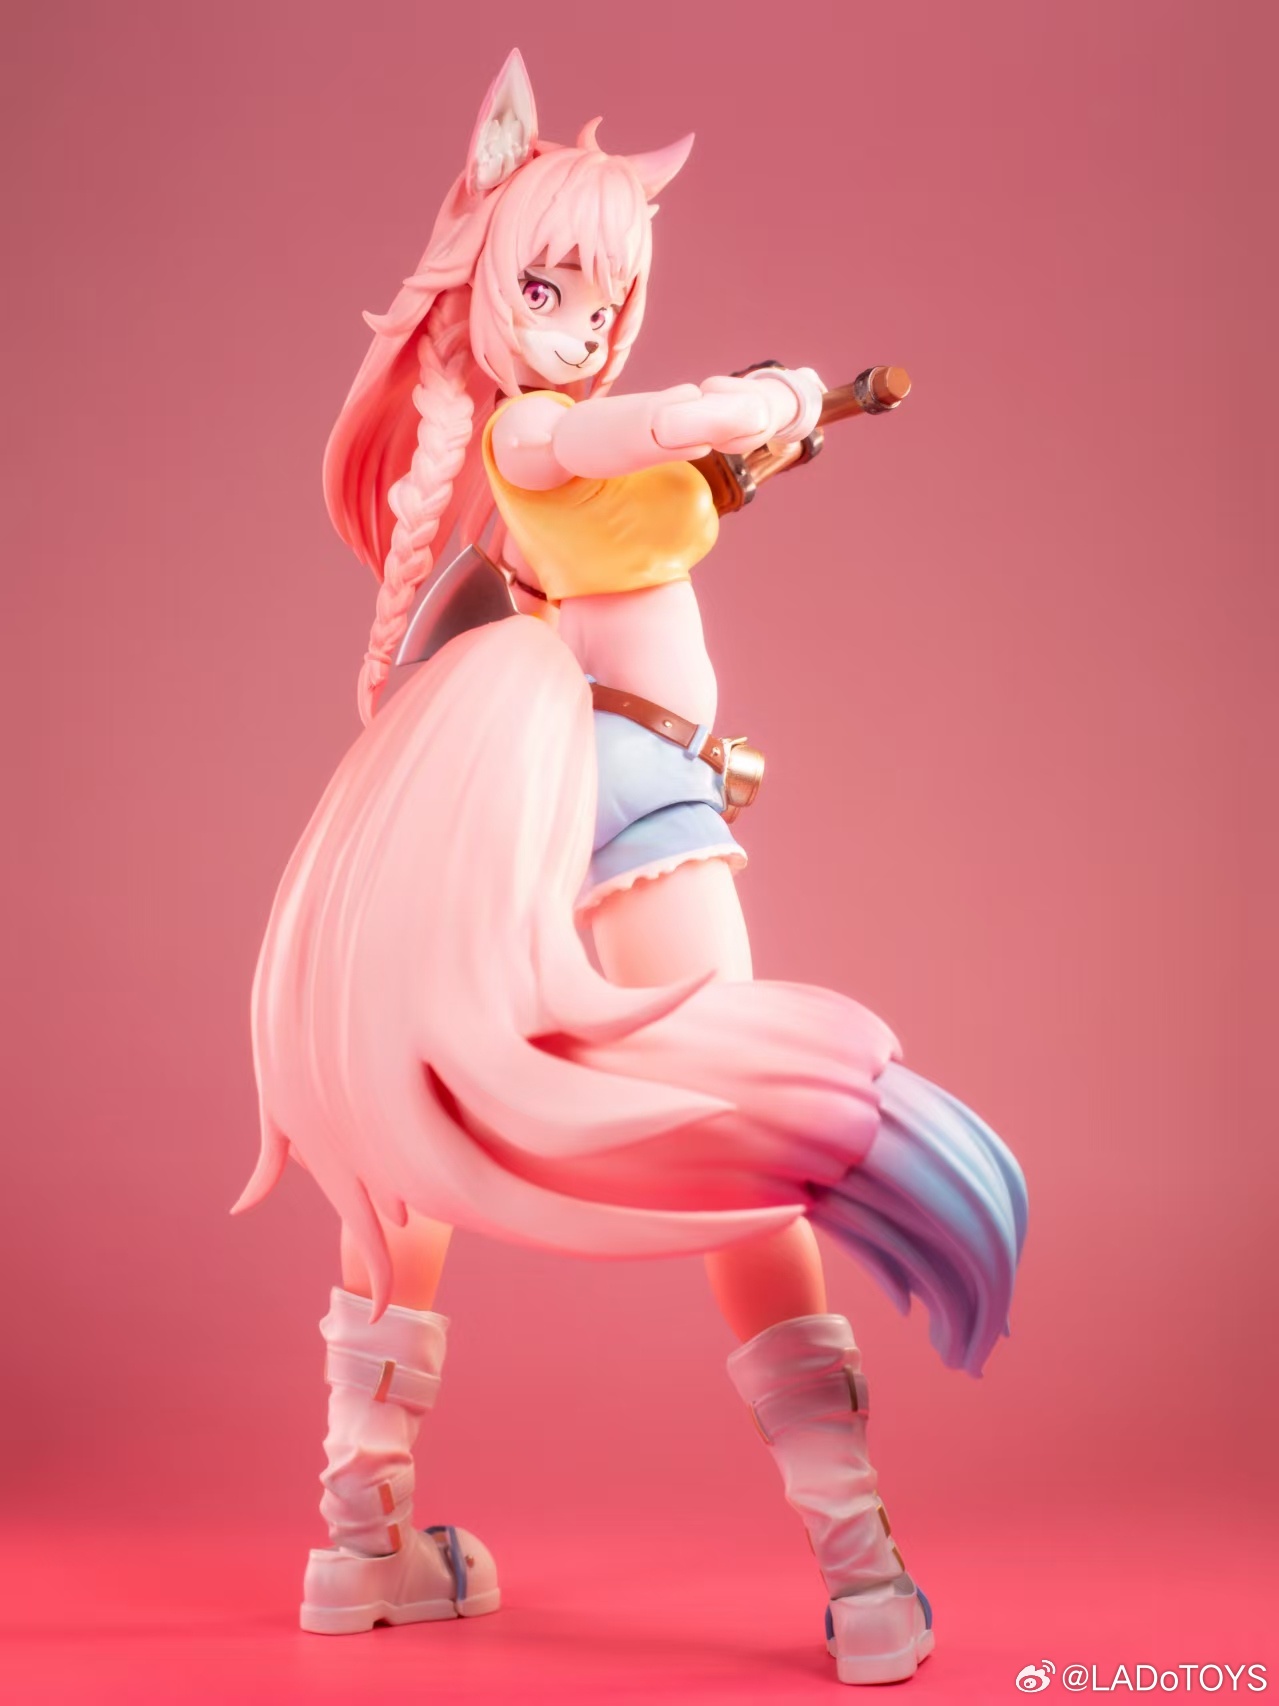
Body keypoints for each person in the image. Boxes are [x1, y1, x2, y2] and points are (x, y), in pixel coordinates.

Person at [237, 49, 1027, 1687]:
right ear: (486, 285)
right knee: (733, 1126)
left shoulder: (565, 467)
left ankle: (362, 1541)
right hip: (624, 802)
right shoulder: (536, 431)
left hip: (572, 803)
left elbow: (660, 472)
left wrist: (769, 439)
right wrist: (765, 398)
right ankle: (861, 1566)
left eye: (610, 297)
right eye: (551, 288)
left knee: (422, 1141)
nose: (587, 325)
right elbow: (648, 421)